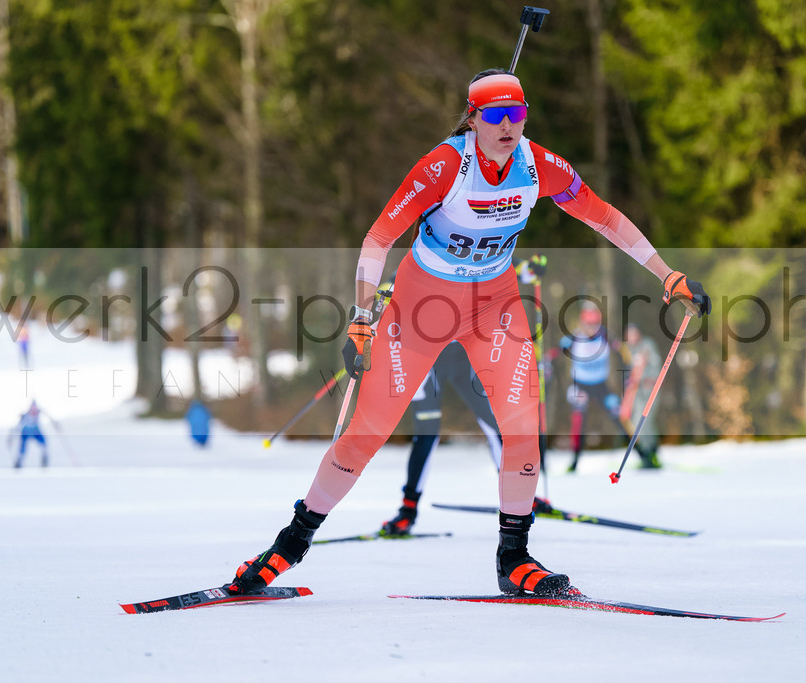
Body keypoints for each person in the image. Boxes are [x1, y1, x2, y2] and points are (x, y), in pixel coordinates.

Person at [227, 68, 710, 598]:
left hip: (494, 307)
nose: (508, 126)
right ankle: (290, 545)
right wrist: (362, 318)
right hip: (421, 306)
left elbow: (604, 217)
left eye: (517, 114)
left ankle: (515, 558)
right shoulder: (443, 166)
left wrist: (667, 275)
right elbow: (378, 237)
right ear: (473, 118)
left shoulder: (539, 166)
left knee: (523, 427)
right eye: (496, 115)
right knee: (368, 431)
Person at [380, 341, 503, 536]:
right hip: (425, 357)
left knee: (495, 426)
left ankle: (519, 497)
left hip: (464, 353)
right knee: (426, 434)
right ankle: (407, 510)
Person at [560, 303, 631, 473]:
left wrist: (629, 370)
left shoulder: (606, 335)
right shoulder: (573, 338)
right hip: (580, 385)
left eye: (594, 324)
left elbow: (624, 352)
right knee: (579, 421)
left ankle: (642, 453)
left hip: (601, 386)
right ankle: (574, 461)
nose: (591, 328)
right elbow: (556, 352)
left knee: (618, 414)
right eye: (588, 324)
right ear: (582, 323)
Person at [617, 323, 662, 469]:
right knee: (635, 424)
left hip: (649, 391)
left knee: (644, 423)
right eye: (628, 335)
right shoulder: (628, 349)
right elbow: (628, 371)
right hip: (635, 393)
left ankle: (651, 454)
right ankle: (647, 455)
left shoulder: (647, 345)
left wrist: (649, 378)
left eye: (633, 333)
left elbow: (656, 365)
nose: (631, 337)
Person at [10, 401, 54, 468]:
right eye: (32, 409)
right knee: (22, 449)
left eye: (35, 409)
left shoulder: (39, 412)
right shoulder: (24, 415)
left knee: (44, 444)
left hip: (36, 431)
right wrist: (12, 435)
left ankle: (44, 460)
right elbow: (18, 425)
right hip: (26, 432)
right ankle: (18, 462)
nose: (34, 411)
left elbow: (48, 416)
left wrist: (55, 423)